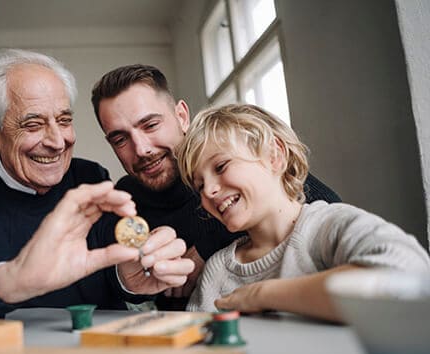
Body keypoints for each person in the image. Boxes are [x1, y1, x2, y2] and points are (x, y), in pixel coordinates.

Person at [0, 49, 194, 318]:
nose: (57, 142)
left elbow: (110, 277)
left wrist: (128, 280)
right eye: (33, 124)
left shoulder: (92, 179)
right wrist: (11, 280)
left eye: (63, 120)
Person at [91, 64, 341, 309]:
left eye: (150, 125)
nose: (142, 149)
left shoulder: (226, 157)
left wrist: (208, 242)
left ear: (181, 116)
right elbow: (115, 287)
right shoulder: (122, 203)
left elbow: (324, 204)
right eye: (120, 139)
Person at [175, 104, 430, 321]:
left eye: (220, 166)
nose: (208, 190)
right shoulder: (218, 270)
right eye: (199, 185)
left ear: (274, 155)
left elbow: (408, 276)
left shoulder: (328, 226)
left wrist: (260, 295)